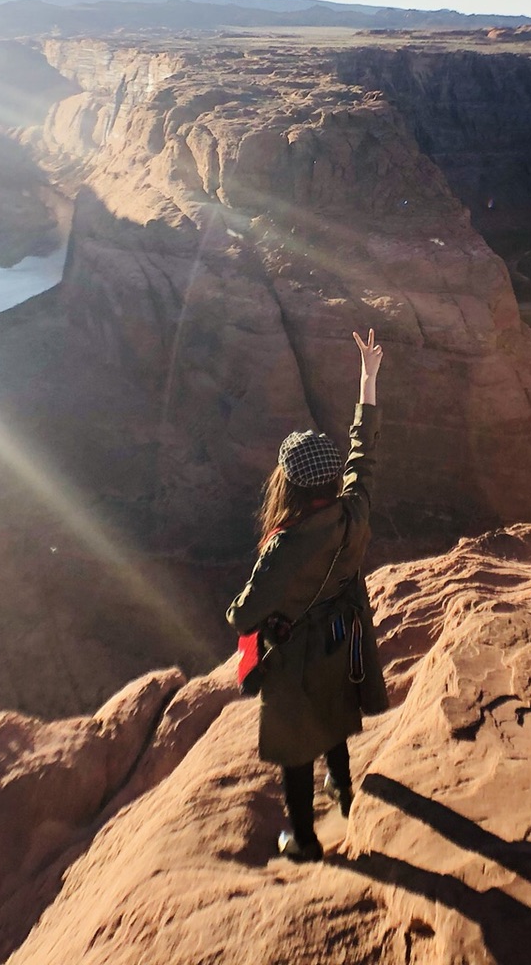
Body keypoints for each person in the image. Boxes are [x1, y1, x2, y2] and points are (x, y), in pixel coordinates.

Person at [226, 328, 392, 862]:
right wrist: (368, 379)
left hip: (294, 654)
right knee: (336, 709)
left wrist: (238, 607)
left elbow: (244, 614)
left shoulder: (286, 545)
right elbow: (363, 455)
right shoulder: (354, 510)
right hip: (342, 639)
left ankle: (303, 840)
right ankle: (343, 788)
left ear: (290, 485)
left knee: (295, 747)